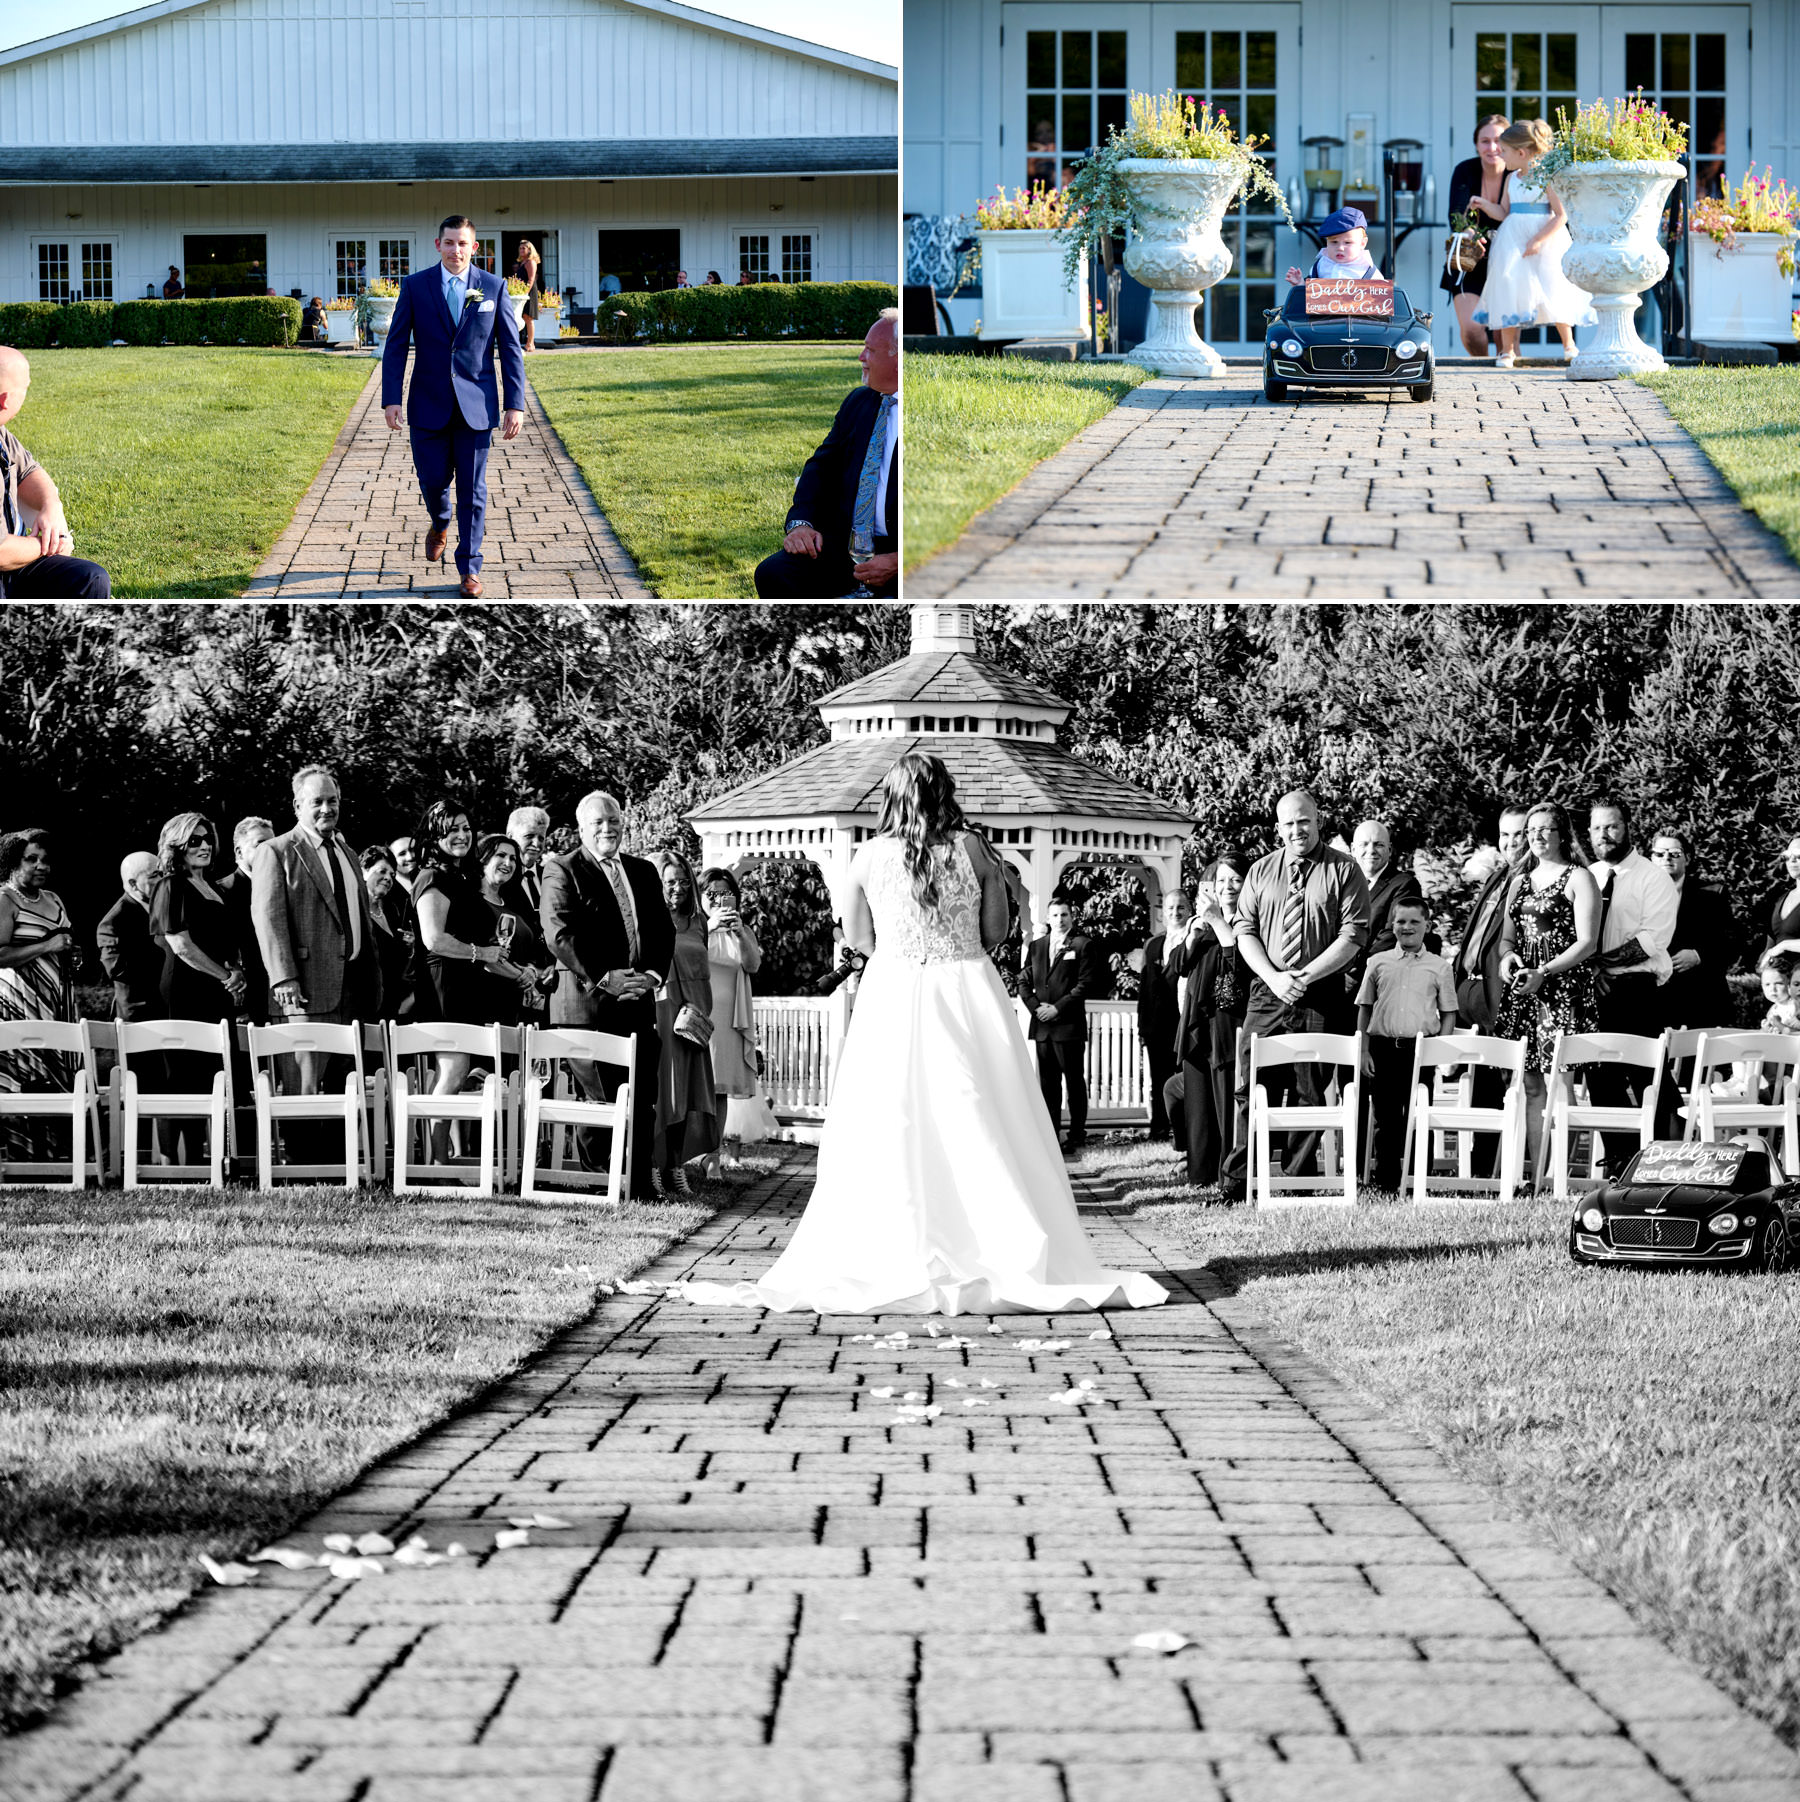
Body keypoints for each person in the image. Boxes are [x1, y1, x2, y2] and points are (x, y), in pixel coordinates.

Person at [673, 751, 1167, 1316]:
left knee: (895, 1116)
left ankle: (895, 1243)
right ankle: (994, 1241)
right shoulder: (975, 848)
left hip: (895, 993)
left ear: (891, 797)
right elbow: (995, 932)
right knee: (982, 1111)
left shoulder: (866, 857)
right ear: (944, 793)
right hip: (966, 989)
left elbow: (859, 939)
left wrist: (903, 946)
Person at [1219, 790, 1370, 1201]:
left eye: (1303, 821)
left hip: (1320, 992)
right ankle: (1238, 1183)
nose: (1296, 829)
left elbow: (1353, 935)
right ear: (1278, 828)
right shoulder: (1261, 871)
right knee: (1252, 1085)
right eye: (1288, 823)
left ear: (1318, 821)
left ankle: (1295, 1182)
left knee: (1310, 1092)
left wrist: (1303, 976)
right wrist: (1273, 977)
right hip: (1267, 992)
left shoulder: (1345, 869)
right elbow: (1244, 930)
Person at [539, 791, 675, 1202]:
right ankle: (603, 1182)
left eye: (613, 820)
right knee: (599, 1099)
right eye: (598, 822)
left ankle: (638, 1185)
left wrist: (650, 976)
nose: (607, 828)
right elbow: (559, 932)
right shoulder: (562, 869)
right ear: (582, 828)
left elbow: (662, 929)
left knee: (643, 1096)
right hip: (587, 1003)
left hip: (638, 999)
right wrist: (603, 977)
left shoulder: (643, 870)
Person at [381, 214, 526, 599]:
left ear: (474, 247)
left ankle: (470, 568)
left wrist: (515, 404)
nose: (455, 250)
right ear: (438, 245)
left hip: (476, 406)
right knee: (432, 481)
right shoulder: (415, 286)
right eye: (449, 243)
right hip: (427, 404)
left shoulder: (493, 287)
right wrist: (391, 399)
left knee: (473, 491)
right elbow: (396, 345)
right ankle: (440, 520)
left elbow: (511, 348)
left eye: (463, 244)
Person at [250, 766, 384, 1119]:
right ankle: (301, 1154)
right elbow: (268, 918)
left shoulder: (348, 853)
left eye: (333, 800)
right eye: (318, 801)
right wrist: (284, 977)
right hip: (304, 991)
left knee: (345, 1092)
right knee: (303, 1094)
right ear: (298, 805)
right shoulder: (277, 851)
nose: (327, 808)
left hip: (353, 990)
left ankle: (340, 1153)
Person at [754, 310, 898, 599]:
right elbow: (820, 468)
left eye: (870, 350)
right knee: (773, 573)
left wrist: (898, 561)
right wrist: (801, 525)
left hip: (900, 554)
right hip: (847, 546)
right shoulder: (858, 401)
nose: (861, 357)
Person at [1494, 801, 1601, 1187]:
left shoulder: (1579, 878)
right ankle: (1538, 1177)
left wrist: (1545, 971)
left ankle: (1561, 1176)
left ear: (1561, 834)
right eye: (1531, 830)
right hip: (1524, 990)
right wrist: (1508, 959)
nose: (1536, 836)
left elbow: (1587, 942)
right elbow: (1507, 939)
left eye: (1544, 829)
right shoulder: (1519, 882)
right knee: (1531, 1084)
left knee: (1561, 1082)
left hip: (1563, 989)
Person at [1586, 795, 1679, 1172]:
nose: (1604, 834)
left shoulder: (1653, 878)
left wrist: (1600, 964)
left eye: (1612, 826)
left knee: (1649, 1076)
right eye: (1597, 828)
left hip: (1636, 990)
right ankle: (1622, 1162)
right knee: (1599, 1076)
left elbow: (1651, 940)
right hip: (1595, 989)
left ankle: (1665, 1159)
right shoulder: (1588, 875)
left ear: (1627, 828)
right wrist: (1590, 972)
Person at [1356, 895, 1459, 1192]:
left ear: (1427, 925)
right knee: (1386, 1117)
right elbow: (1365, 1007)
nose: (1407, 927)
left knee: (1418, 1113)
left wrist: (1441, 1052)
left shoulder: (1439, 967)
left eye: (1415, 921)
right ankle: (1387, 1180)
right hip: (1383, 1048)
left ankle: (1417, 1179)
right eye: (1401, 921)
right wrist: (1363, 1050)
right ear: (1392, 925)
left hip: (1420, 1051)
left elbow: (1448, 1013)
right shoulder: (1378, 962)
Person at [1472, 119, 1594, 368]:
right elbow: (1504, 212)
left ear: (1521, 153)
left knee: (1554, 286)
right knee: (1509, 286)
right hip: (1513, 240)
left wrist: (1537, 240)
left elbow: (1561, 215)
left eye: (1504, 151)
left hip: (1545, 240)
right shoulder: (1511, 179)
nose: (1500, 155)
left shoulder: (1546, 178)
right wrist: (1484, 205)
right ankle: (1507, 350)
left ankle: (1569, 345)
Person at [1452, 805, 1531, 1178]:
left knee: (1505, 1085)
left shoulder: (1533, 880)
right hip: (1472, 991)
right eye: (1505, 835)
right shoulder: (1499, 875)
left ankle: (1508, 1169)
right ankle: (1483, 1169)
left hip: (1504, 994)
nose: (1511, 842)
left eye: (1519, 834)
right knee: (1482, 1085)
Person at [1165, 852, 1250, 1188]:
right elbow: (1177, 966)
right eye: (1222, 880)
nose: (1228, 886)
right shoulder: (1199, 924)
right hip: (1196, 1022)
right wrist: (1193, 933)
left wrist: (1218, 923)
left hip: (1228, 1023)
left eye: (1236, 880)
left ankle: (1230, 1175)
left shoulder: (1249, 921)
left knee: (1226, 1102)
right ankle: (1200, 1174)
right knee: (1198, 1103)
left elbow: (1239, 969)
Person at [0, 347, 112, 599]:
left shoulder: (1, 433)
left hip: (17, 562)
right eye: (25, 389)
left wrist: (52, 505)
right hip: (7, 557)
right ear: (5, 400)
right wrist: (49, 545)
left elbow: (28, 470)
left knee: (90, 579)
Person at [149, 812, 247, 1096]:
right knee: (190, 1080)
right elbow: (181, 946)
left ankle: (225, 1127)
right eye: (194, 841)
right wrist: (227, 977)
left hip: (218, 990)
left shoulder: (216, 887)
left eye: (207, 840)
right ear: (177, 845)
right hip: (185, 991)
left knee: (225, 1076)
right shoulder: (170, 885)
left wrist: (236, 972)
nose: (204, 846)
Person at [0, 830, 78, 1149]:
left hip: (57, 999)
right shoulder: (5, 899)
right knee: (26, 1077)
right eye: (31, 859)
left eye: (45, 860)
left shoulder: (53, 898)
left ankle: (60, 1155)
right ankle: (25, 1154)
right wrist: (47, 946)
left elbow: (61, 941)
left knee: (59, 1076)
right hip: (21, 1002)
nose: (41, 866)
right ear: (12, 862)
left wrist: (71, 953)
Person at [650, 852, 720, 1194]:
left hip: (693, 1019)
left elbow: (703, 973)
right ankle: (652, 1165)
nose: (677, 888)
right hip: (663, 1015)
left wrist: (699, 1010)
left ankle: (676, 1167)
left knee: (688, 1094)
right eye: (669, 882)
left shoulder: (698, 922)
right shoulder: (648, 918)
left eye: (682, 881)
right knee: (664, 1093)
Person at [1018, 894, 1098, 1155]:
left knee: (1074, 1082)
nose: (1060, 919)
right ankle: (1050, 1135)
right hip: (1043, 1028)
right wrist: (1036, 1008)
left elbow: (1085, 984)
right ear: (1048, 918)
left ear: (1072, 917)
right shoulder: (1037, 946)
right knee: (1048, 1085)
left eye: (1064, 914)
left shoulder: (1082, 945)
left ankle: (1076, 1135)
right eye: (1055, 915)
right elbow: (1023, 981)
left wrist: (1057, 1008)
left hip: (1068, 1026)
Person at [1442, 115, 1511, 357]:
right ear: (1476, 144)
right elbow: (1456, 215)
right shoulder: (1465, 170)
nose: (1492, 147)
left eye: (1499, 140)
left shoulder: (1517, 173)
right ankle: (1481, 370)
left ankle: (1509, 376)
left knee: (1505, 341)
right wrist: (1470, 234)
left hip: (1507, 261)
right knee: (1471, 331)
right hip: (1469, 257)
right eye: (1485, 141)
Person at [475, 832, 555, 1025]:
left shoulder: (513, 902)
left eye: (513, 858)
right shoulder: (472, 902)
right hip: (488, 1002)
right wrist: (522, 975)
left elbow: (530, 949)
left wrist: (532, 971)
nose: (508, 863)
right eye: (501, 855)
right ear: (483, 858)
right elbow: (483, 956)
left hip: (522, 1004)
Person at [1136, 890, 1190, 1142]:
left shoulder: (1195, 939)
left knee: (1184, 1080)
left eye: (1180, 907)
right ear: (1163, 912)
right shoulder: (1152, 944)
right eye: (1170, 908)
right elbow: (1145, 988)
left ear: (1189, 910)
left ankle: (1184, 1131)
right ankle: (1158, 1128)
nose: (1175, 912)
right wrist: (1142, 1026)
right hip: (1156, 1025)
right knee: (1157, 1080)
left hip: (1183, 1023)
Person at [97, 851, 165, 1023]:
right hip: (140, 1016)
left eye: (162, 873)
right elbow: (117, 969)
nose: (162, 880)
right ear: (133, 884)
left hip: (171, 1009)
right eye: (154, 876)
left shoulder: (164, 906)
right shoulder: (114, 922)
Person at [360, 844, 416, 1021]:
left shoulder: (393, 911)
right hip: (364, 1004)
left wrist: (410, 946)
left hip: (393, 1005)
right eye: (382, 871)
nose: (388, 878)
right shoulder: (354, 912)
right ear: (363, 871)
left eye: (392, 875)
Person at [1283, 207, 1379, 286]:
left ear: (1362, 244)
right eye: (1334, 242)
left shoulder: (1368, 271)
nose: (1340, 247)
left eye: (1347, 242)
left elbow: (1380, 298)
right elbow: (1309, 294)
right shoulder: (1321, 265)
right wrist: (1300, 284)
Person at [503, 806, 551, 915]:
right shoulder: (501, 879)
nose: (536, 844)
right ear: (510, 837)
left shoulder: (550, 876)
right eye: (529, 836)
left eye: (541, 838)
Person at [1759, 836, 1800, 957]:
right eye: (1787, 856)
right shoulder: (1780, 900)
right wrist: (1763, 962)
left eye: (1798, 855)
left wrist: (1785, 945)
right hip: (1779, 966)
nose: (1792, 860)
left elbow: (1779, 946)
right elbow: (1770, 946)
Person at [513, 240, 542, 353]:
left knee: (528, 318)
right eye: (520, 248)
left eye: (524, 248)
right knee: (524, 317)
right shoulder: (523, 262)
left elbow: (530, 280)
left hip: (529, 293)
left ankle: (530, 344)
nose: (521, 250)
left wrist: (524, 294)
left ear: (530, 250)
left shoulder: (531, 262)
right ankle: (528, 343)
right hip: (523, 292)